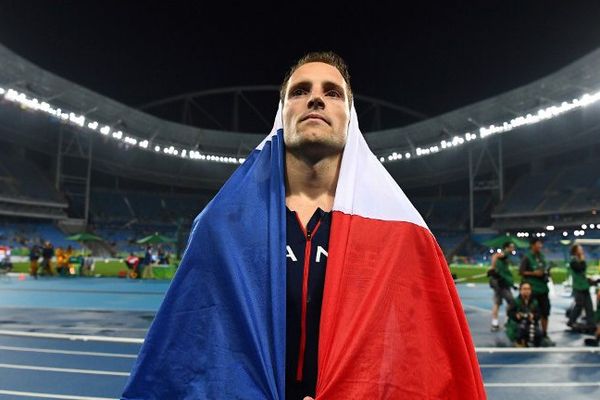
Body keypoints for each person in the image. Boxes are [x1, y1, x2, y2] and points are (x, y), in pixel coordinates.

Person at [122, 52, 485, 400]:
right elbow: (188, 357)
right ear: (282, 115)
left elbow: (419, 364)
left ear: (350, 117)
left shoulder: (403, 236)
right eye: (300, 91)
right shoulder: (222, 229)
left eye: (332, 92)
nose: (315, 99)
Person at [519, 237, 554, 346]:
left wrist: (546, 273)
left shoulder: (542, 257)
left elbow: (543, 270)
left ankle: (544, 333)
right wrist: (535, 274)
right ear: (532, 245)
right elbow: (521, 272)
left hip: (543, 289)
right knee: (532, 313)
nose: (540, 246)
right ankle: (528, 335)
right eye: (538, 244)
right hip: (533, 289)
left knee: (545, 312)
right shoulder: (527, 257)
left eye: (541, 244)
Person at [487, 241, 516, 331]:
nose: (513, 249)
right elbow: (495, 255)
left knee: (497, 303)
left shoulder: (505, 257)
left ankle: (494, 323)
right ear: (507, 247)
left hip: (500, 281)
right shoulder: (504, 253)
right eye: (511, 247)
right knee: (511, 302)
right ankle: (507, 321)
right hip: (501, 282)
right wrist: (492, 267)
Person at [567, 244, 595, 332]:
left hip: (584, 286)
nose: (582, 251)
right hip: (578, 287)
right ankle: (571, 321)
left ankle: (591, 324)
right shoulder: (573, 261)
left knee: (589, 306)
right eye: (580, 249)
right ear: (575, 251)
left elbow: (582, 273)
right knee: (579, 305)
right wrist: (582, 259)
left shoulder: (579, 260)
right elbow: (581, 268)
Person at [506, 282, 543, 347]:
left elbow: (539, 314)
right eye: (524, 289)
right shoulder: (515, 301)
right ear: (520, 290)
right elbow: (509, 313)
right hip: (517, 324)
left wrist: (533, 316)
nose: (527, 291)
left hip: (530, 323)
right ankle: (518, 341)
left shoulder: (535, 302)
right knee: (520, 330)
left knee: (538, 334)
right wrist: (516, 315)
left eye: (528, 289)